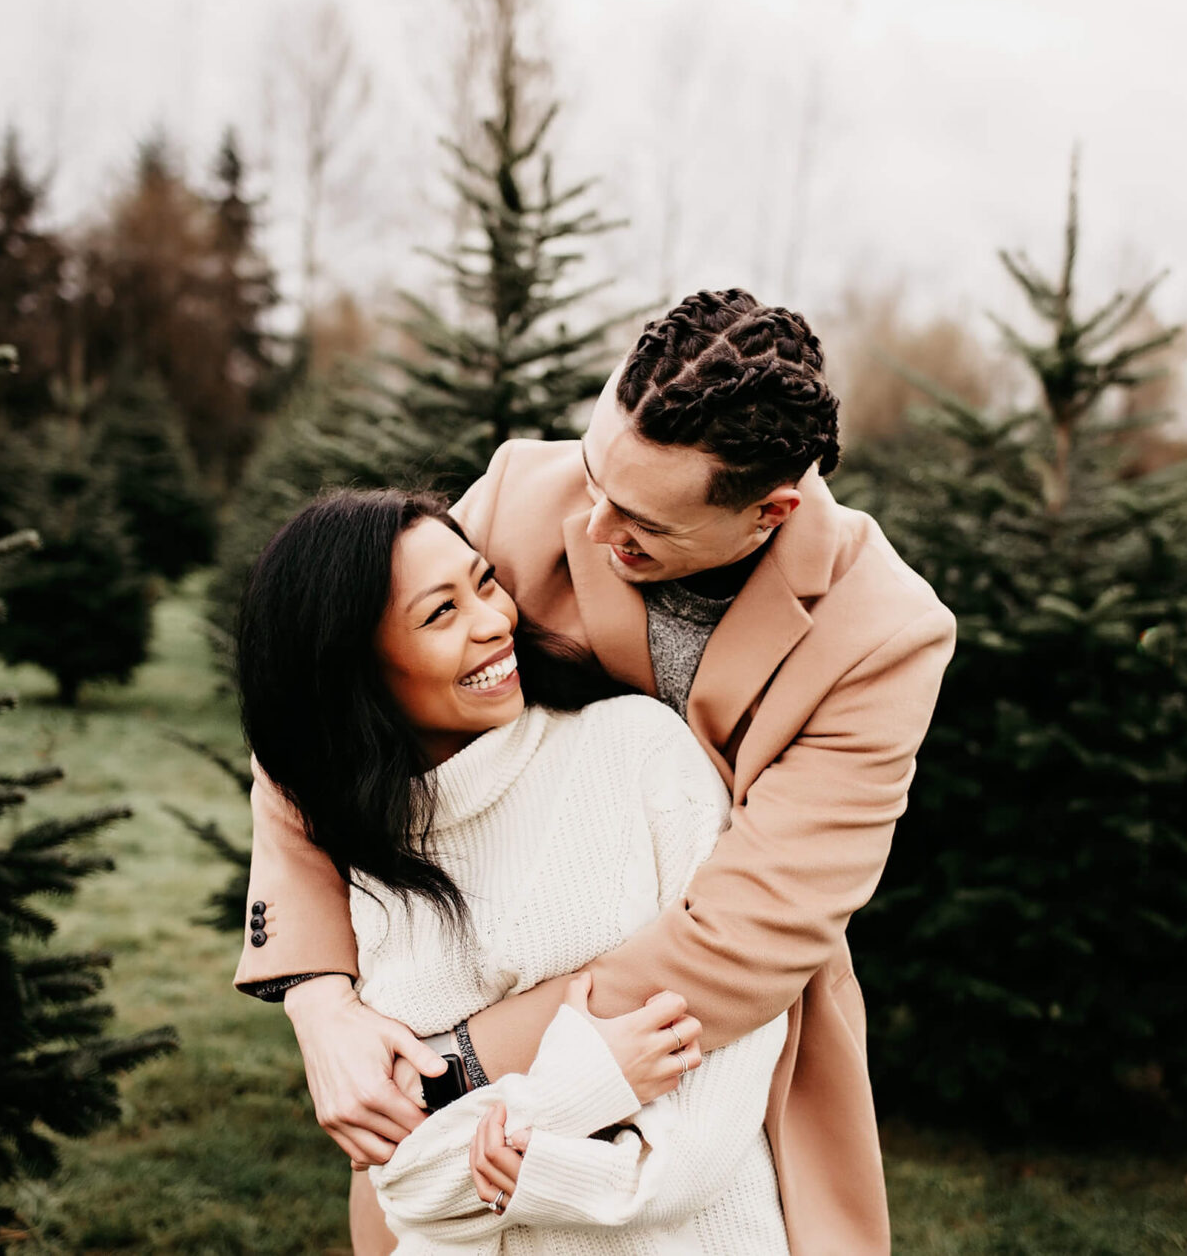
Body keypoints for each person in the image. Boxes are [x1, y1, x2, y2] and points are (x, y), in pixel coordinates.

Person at [236, 289, 957, 1255]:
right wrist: (320, 1000)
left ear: (769, 512)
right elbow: (323, 699)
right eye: (593, 473)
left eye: (640, 523)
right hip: (461, 975)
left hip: (711, 1052)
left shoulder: (885, 634)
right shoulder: (530, 494)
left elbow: (752, 933)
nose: (592, 522)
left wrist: (462, 1068)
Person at [238, 489, 790, 1252]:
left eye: (487, 581)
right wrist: (597, 1083)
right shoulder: (365, 856)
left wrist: (509, 1143)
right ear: (353, 670)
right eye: (440, 614)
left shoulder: (639, 755)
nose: (496, 622)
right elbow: (407, 1191)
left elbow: (690, 1155)